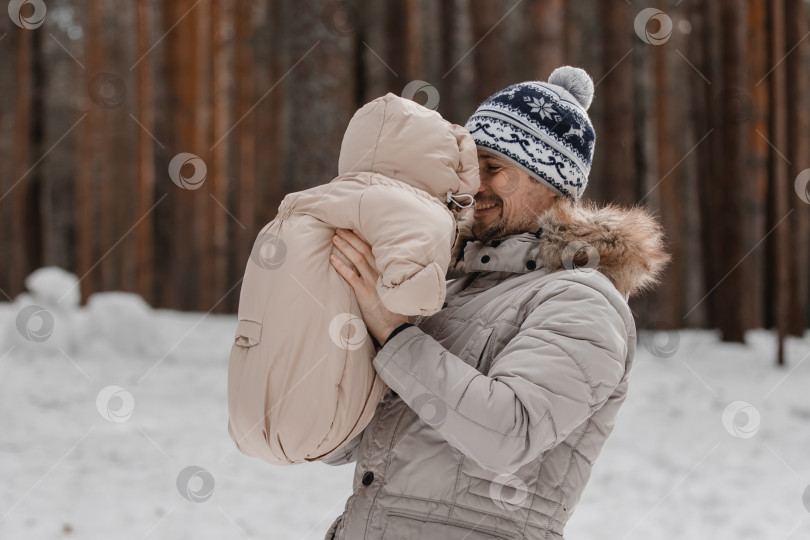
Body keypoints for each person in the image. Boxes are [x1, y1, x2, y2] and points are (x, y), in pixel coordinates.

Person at [324, 66, 670, 540]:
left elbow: (509, 435)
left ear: (552, 185)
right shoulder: (454, 288)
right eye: (469, 167)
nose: (474, 186)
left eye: (494, 168)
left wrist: (396, 334)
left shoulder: (582, 301)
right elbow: (355, 442)